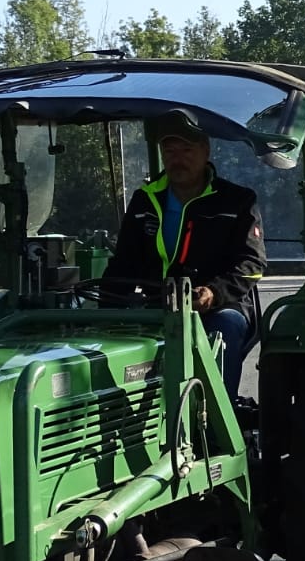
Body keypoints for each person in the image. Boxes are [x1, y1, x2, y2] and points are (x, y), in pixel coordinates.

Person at [102, 109, 267, 395]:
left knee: (220, 333)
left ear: (206, 151)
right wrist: (104, 310)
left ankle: (215, 417)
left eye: (187, 150)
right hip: (156, 306)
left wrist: (213, 293)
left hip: (219, 307)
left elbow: (252, 264)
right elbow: (124, 263)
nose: (178, 159)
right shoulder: (144, 201)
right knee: (111, 341)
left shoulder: (237, 201)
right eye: (170, 151)